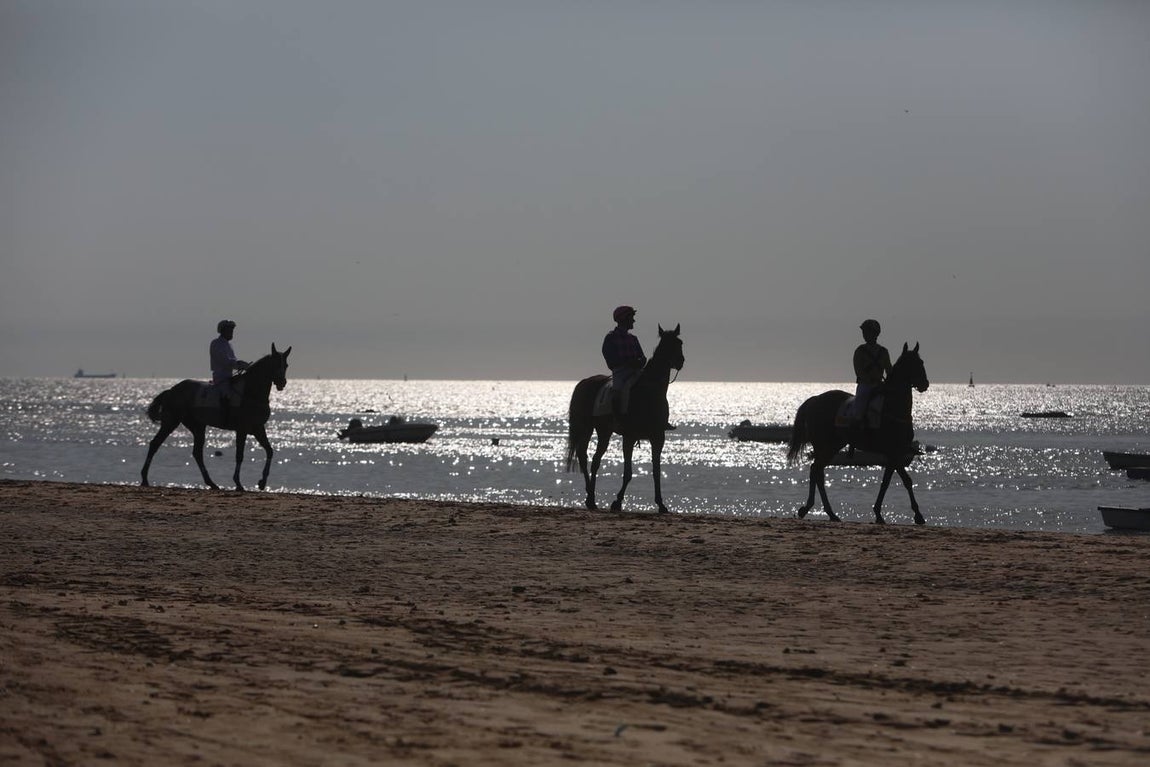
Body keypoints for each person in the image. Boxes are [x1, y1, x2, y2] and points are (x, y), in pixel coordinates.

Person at [602, 305, 647, 417]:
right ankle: (618, 417)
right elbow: (610, 357)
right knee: (618, 392)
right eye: (631, 317)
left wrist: (640, 362)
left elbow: (642, 356)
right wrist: (627, 363)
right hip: (621, 372)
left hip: (636, 371)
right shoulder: (611, 337)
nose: (633, 320)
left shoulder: (633, 338)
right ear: (623, 319)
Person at [850, 318, 892, 424]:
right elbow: (858, 371)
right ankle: (856, 426)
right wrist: (870, 380)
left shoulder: (883, 352)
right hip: (865, 386)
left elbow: (889, 370)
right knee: (859, 405)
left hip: (880, 386)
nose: (864, 335)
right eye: (864, 332)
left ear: (874, 334)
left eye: (866, 332)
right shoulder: (860, 351)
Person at [210, 320, 249, 422]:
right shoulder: (216, 343)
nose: (232, 332)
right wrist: (240, 364)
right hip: (220, 377)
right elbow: (225, 361)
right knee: (227, 394)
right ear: (223, 331)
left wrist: (241, 365)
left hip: (229, 376)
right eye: (229, 330)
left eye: (232, 330)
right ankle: (225, 416)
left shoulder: (229, 345)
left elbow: (233, 361)